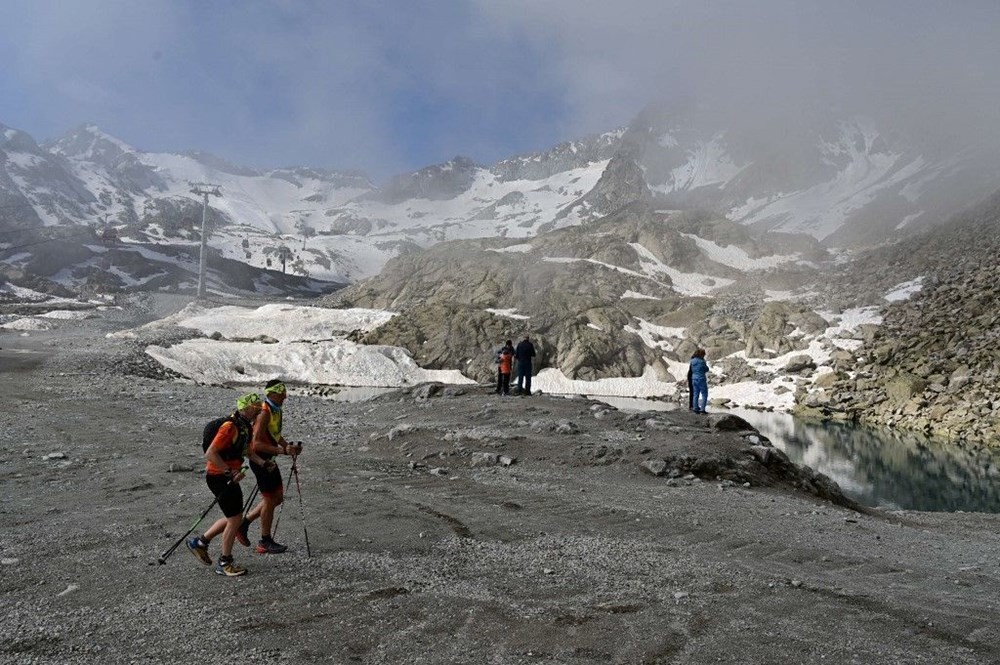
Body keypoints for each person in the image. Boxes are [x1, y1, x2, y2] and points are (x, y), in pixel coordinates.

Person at [187, 392, 264, 577]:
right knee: (235, 519)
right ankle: (224, 562)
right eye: (256, 408)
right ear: (245, 408)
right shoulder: (230, 427)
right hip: (219, 477)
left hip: (226, 476)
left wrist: (263, 463)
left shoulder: (245, 427)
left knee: (234, 517)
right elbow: (211, 453)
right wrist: (230, 472)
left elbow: (246, 451)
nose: (259, 412)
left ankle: (200, 542)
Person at [239, 380, 302, 554]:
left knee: (277, 498)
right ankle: (264, 541)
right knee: (269, 499)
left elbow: (275, 434)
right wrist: (282, 451)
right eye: (282, 391)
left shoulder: (276, 410)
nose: (285, 395)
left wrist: (288, 447)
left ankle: (244, 524)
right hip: (260, 461)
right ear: (272, 393)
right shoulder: (264, 412)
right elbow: (256, 444)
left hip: (269, 459)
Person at [689, 349, 709, 414]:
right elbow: (706, 369)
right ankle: (702, 409)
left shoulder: (692, 361)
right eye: (703, 354)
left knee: (695, 393)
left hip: (694, 378)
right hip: (701, 378)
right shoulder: (702, 361)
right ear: (701, 354)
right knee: (704, 394)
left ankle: (695, 408)